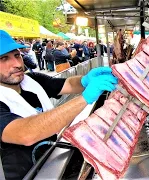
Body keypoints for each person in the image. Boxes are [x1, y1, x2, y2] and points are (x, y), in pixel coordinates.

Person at [0, 30, 118, 179]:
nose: (17, 64)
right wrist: (84, 99)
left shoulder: (32, 80)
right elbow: (25, 133)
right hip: (27, 174)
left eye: (17, 55)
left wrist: (85, 80)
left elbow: (67, 84)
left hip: (51, 160)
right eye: (4, 58)